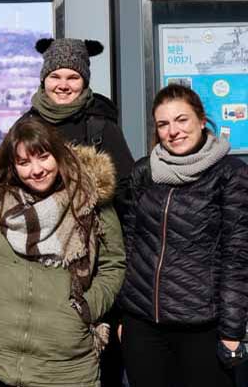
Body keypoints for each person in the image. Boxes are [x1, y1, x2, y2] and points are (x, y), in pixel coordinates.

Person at [0, 117, 125, 387]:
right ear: (11, 165)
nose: (36, 169)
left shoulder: (88, 200)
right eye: (24, 162)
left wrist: (85, 308)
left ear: (58, 154)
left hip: (64, 363)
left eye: (43, 157)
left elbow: (114, 264)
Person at [118, 84, 248, 387]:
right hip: (143, 325)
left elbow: (237, 255)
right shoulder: (145, 172)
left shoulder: (229, 174)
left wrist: (232, 331)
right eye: (163, 124)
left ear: (201, 120)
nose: (173, 131)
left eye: (182, 120)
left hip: (201, 327)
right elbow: (130, 243)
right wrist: (123, 315)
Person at [24, 37, 134, 195]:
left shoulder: (101, 126)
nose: (63, 86)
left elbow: (127, 188)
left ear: (84, 82)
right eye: (55, 77)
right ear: (44, 80)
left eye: (73, 78)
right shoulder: (26, 124)